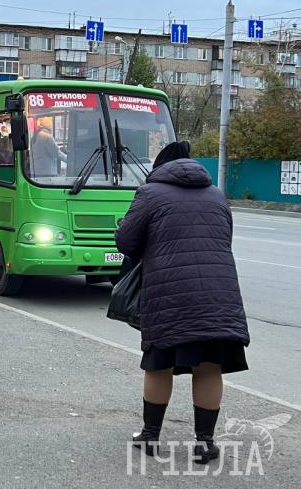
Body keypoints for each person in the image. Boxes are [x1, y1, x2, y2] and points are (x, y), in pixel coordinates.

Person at [115, 141, 250, 464]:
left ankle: (150, 437)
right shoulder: (217, 195)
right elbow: (224, 238)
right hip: (218, 295)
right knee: (209, 367)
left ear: (159, 168)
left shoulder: (150, 193)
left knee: (159, 364)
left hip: (171, 295)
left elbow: (126, 241)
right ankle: (205, 444)